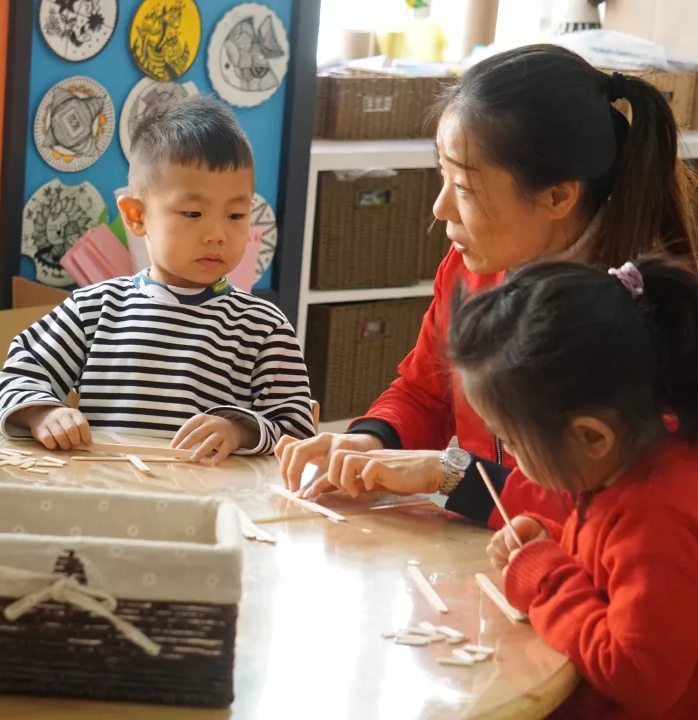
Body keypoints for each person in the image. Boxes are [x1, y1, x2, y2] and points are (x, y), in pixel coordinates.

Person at [277, 44, 698, 527]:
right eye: (443, 175)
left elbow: (617, 516)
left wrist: (452, 475)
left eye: (463, 187)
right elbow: (424, 393)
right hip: (490, 552)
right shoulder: (471, 269)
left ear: (558, 195)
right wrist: (374, 441)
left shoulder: (639, 313)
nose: (439, 208)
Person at [0, 96, 314, 462]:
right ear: (136, 215)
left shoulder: (264, 327)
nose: (218, 234)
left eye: (236, 215)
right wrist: (42, 413)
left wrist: (240, 430)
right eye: (193, 212)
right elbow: (10, 381)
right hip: (108, 500)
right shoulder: (93, 310)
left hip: (209, 508)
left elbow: (298, 427)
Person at [451, 257, 698, 719]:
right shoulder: (633, 464)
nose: (510, 457)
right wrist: (558, 546)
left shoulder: (656, 520)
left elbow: (640, 675)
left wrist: (546, 577)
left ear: (591, 437)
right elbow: (614, 580)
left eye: (510, 442)